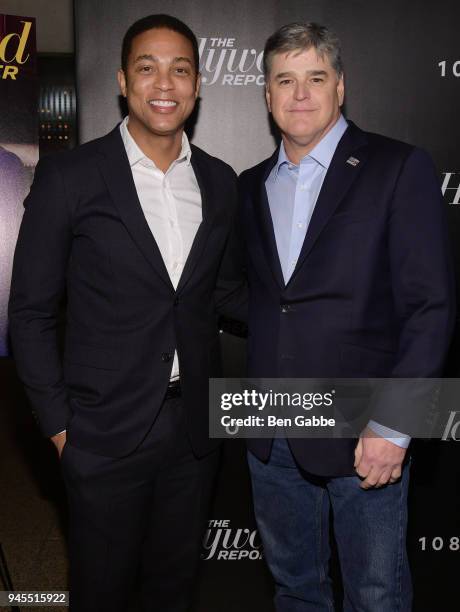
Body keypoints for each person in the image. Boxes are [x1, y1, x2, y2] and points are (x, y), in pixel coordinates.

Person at [9, 14, 245, 612]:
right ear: (122, 81)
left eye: (180, 69)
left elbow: (218, 294)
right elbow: (31, 312)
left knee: (173, 590)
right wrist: (60, 427)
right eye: (148, 67)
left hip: (193, 432)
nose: (164, 83)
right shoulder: (70, 176)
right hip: (100, 432)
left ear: (196, 86)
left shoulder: (220, 182)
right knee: (103, 591)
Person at [239, 22, 455, 611]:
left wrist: (394, 426)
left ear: (341, 87)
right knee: (294, 590)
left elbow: (430, 305)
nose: (300, 93)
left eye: (315, 77)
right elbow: (256, 298)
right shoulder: (249, 187)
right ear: (266, 94)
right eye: (285, 79)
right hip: (271, 428)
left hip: (367, 430)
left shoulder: (397, 166)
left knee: (376, 595)